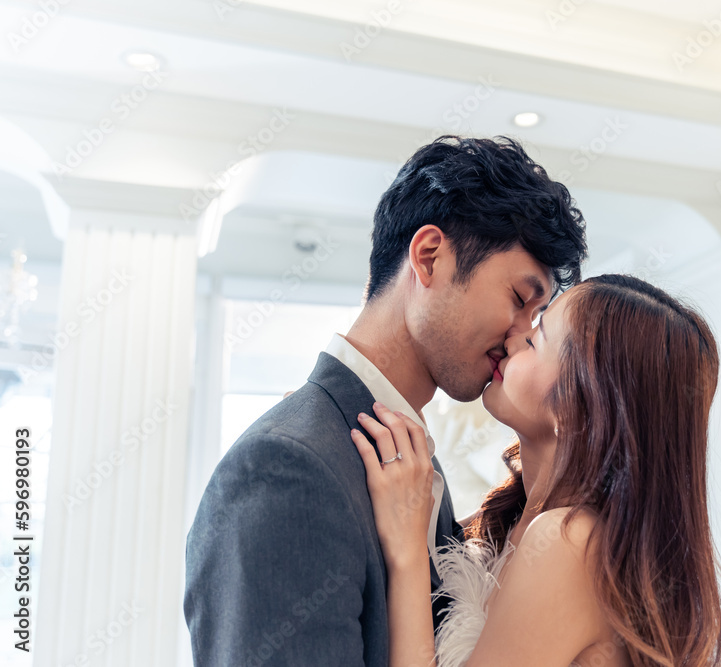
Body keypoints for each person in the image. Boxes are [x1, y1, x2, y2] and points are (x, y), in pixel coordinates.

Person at [184, 135, 588, 666]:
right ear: (429, 258)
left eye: (536, 322)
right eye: (518, 300)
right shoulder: (286, 466)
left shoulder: (414, 464)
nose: (518, 336)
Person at [352, 274, 721, 666]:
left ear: (579, 407)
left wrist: (407, 555)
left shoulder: (567, 542)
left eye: (536, 339)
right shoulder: (514, 521)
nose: (512, 338)